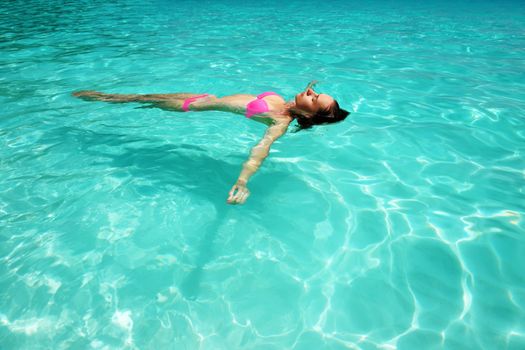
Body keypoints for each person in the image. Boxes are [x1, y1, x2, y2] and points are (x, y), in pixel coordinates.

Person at [73, 81, 350, 205]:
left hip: (190, 106)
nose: (311, 92)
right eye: (316, 92)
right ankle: (95, 97)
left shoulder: (280, 121)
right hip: (203, 96)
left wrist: (242, 182)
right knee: (139, 97)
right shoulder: (286, 104)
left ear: (308, 114)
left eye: (314, 99)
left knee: (133, 99)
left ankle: (89, 99)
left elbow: (260, 151)